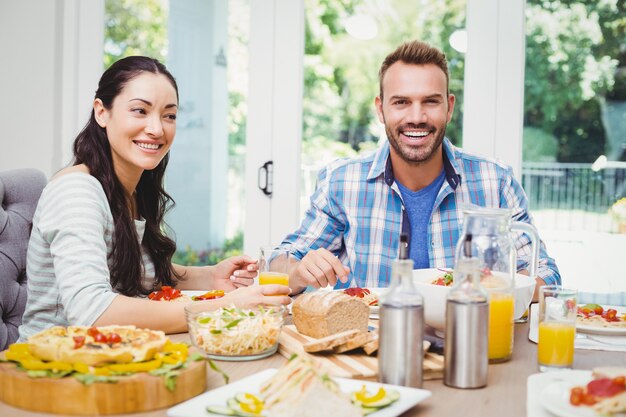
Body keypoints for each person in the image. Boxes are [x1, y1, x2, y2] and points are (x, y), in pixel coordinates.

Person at [19, 56, 290, 341]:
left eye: (169, 115)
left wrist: (210, 276)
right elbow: (93, 314)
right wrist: (224, 306)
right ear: (102, 112)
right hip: (52, 367)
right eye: (140, 111)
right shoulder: (77, 191)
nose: (157, 129)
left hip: (112, 357)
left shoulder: (130, 188)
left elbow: (132, 269)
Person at [280, 40, 561, 298]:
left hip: (468, 341)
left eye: (430, 101)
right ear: (381, 110)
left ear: (449, 107)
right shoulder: (341, 181)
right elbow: (282, 264)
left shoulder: (495, 181)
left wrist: (490, 288)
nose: (416, 117)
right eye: (401, 102)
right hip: (366, 348)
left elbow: (545, 275)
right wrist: (298, 272)